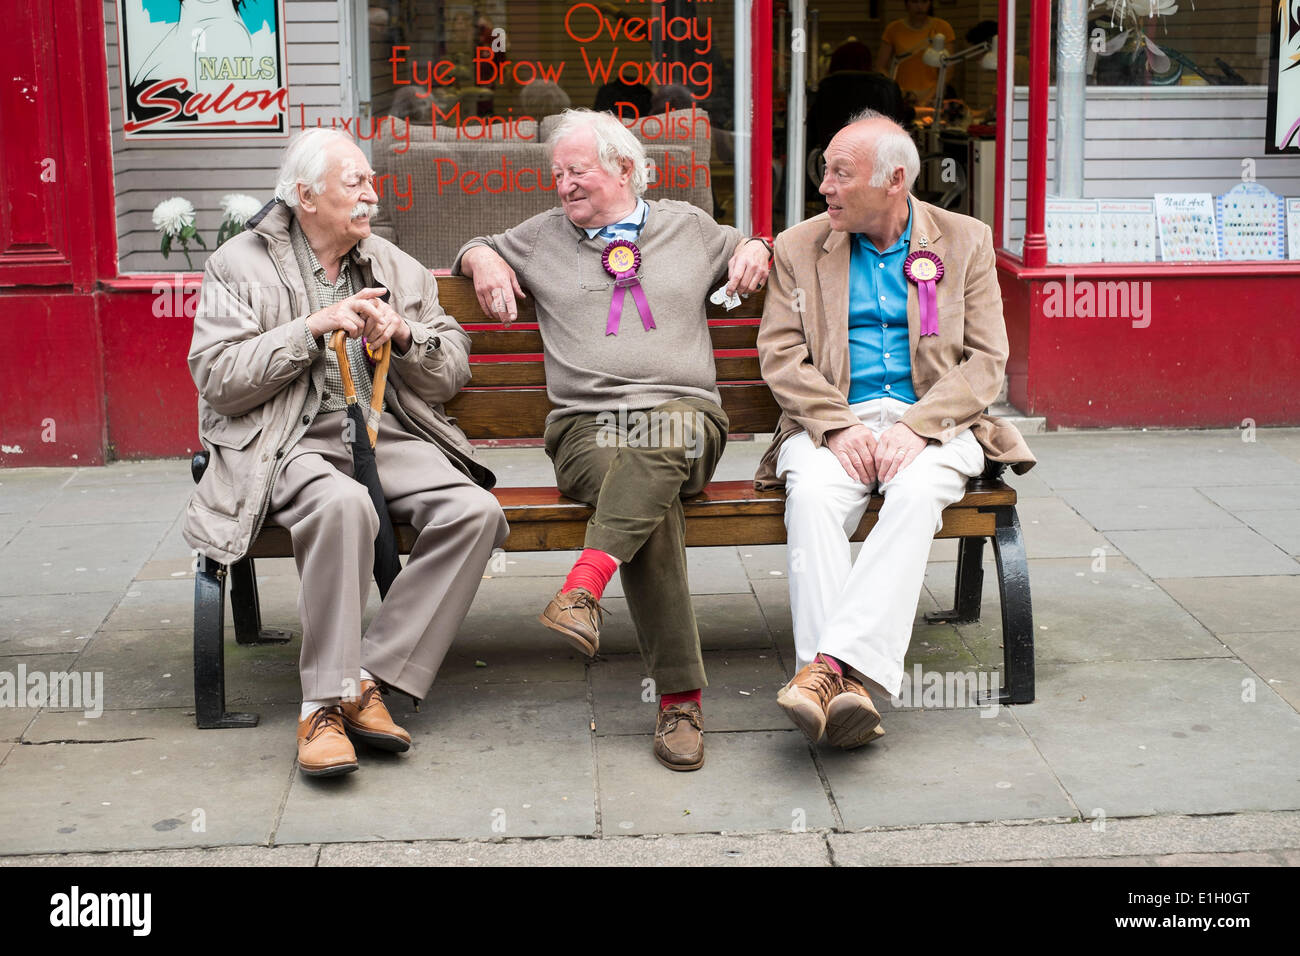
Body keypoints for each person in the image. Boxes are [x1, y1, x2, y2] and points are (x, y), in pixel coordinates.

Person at [184, 128, 508, 778]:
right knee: (344, 506)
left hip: (375, 432)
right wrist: (308, 331)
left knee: (476, 512)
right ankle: (319, 707)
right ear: (305, 195)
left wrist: (409, 333)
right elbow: (217, 376)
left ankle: (368, 677)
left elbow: (452, 369)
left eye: (370, 180)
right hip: (287, 438)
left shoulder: (389, 262)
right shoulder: (237, 265)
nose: (370, 193)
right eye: (354, 182)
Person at [453, 109, 770, 771]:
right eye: (557, 174)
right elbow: (473, 245)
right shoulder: (542, 237)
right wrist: (481, 258)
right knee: (648, 506)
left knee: (663, 443)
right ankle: (678, 702)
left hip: (687, 420)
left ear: (625, 169)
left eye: (577, 171)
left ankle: (583, 587)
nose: (563, 186)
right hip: (585, 430)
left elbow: (750, 245)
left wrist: (756, 248)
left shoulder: (689, 228)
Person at [755, 109, 1035, 749]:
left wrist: (919, 426)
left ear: (895, 180)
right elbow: (780, 356)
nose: (823, 184)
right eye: (823, 169)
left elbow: (987, 361)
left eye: (839, 173)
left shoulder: (964, 239)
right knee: (815, 499)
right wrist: (834, 426)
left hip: (935, 422)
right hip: (832, 419)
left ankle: (825, 672)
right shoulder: (799, 247)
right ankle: (846, 688)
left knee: (913, 495)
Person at [876, 0, 956, 104]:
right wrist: (897, 90)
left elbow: (948, 70)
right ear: (906, 4)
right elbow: (880, 66)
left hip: (932, 93)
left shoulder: (943, 28)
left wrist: (928, 98)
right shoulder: (893, 29)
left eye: (924, 2)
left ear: (930, 3)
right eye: (914, 2)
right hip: (902, 93)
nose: (919, 6)